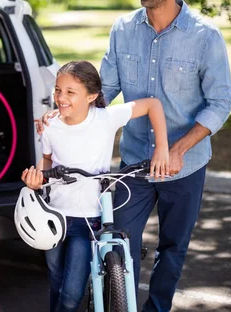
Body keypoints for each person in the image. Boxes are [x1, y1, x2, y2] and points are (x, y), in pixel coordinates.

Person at [40, 0, 231, 312]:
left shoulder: (205, 36)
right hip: (133, 163)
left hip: (185, 164)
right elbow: (104, 90)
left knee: (172, 248)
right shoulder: (124, 28)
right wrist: (64, 111)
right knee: (116, 243)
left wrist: (176, 150)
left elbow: (220, 103)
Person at [24, 60, 169, 312]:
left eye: (70, 92)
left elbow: (153, 105)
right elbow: (47, 161)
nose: (60, 97)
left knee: (70, 294)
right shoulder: (50, 126)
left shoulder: (105, 118)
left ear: (91, 96)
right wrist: (38, 178)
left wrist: (162, 149)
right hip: (54, 217)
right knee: (56, 282)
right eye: (58, 90)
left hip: (87, 221)